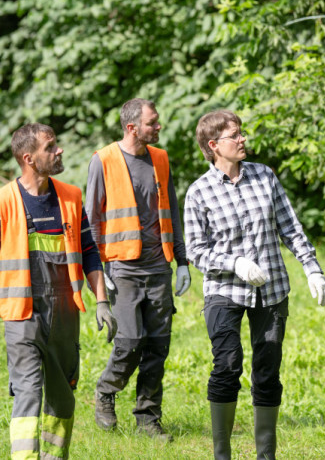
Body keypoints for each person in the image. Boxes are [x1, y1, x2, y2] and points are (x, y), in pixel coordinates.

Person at [184, 109, 325, 460]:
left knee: (267, 369)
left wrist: (312, 268)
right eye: (235, 135)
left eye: (241, 133)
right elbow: (196, 250)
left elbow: (289, 227)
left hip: (271, 289)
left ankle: (266, 455)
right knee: (227, 364)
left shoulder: (264, 176)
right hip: (224, 291)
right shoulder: (199, 192)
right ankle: (222, 454)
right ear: (214, 145)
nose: (242, 139)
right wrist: (234, 262)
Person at [0, 123, 115, 460]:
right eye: (50, 147)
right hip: (22, 317)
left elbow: (90, 254)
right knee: (27, 394)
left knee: (63, 400)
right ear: (29, 158)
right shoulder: (0, 203)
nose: (58, 150)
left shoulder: (71, 197)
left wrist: (102, 301)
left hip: (64, 318)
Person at [87, 98, 191, 442]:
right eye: (153, 123)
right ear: (132, 127)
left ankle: (148, 419)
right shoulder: (103, 160)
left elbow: (171, 211)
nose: (159, 127)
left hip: (159, 266)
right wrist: (100, 274)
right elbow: (93, 221)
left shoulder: (160, 159)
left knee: (158, 346)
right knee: (130, 341)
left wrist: (182, 260)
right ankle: (106, 390)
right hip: (123, 268)